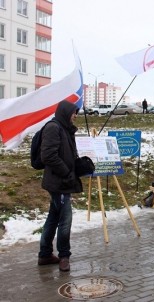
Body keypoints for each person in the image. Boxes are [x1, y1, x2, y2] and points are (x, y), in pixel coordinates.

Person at [38, 100, 83, 272]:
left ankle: (45, 254)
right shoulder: (53, 128)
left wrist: (79, 165)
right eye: (73, 112)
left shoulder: (65, 128)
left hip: (63, 180)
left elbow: (66, 154)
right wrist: (66, 172)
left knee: (53, 218)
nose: (75, 116)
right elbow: (48, 156)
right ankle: (64, 256)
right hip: (59, 182)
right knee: (65, 220)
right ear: (65, 112)